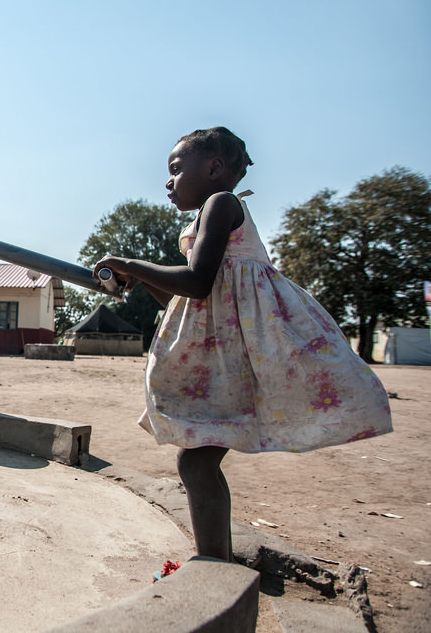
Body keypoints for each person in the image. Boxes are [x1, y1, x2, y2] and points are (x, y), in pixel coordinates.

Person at [93, 127, 392, 564]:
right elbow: (189, 299)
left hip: (239, 353)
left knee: (195, 465)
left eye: (176, 170)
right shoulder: (205, 217)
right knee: (197, 464)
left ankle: (215, 565)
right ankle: (217, 559)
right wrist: (140, 280)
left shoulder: (222, 203)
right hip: (227, 356)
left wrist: (130, 263)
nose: (168, 182)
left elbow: (197, 284)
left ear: (214, 168)